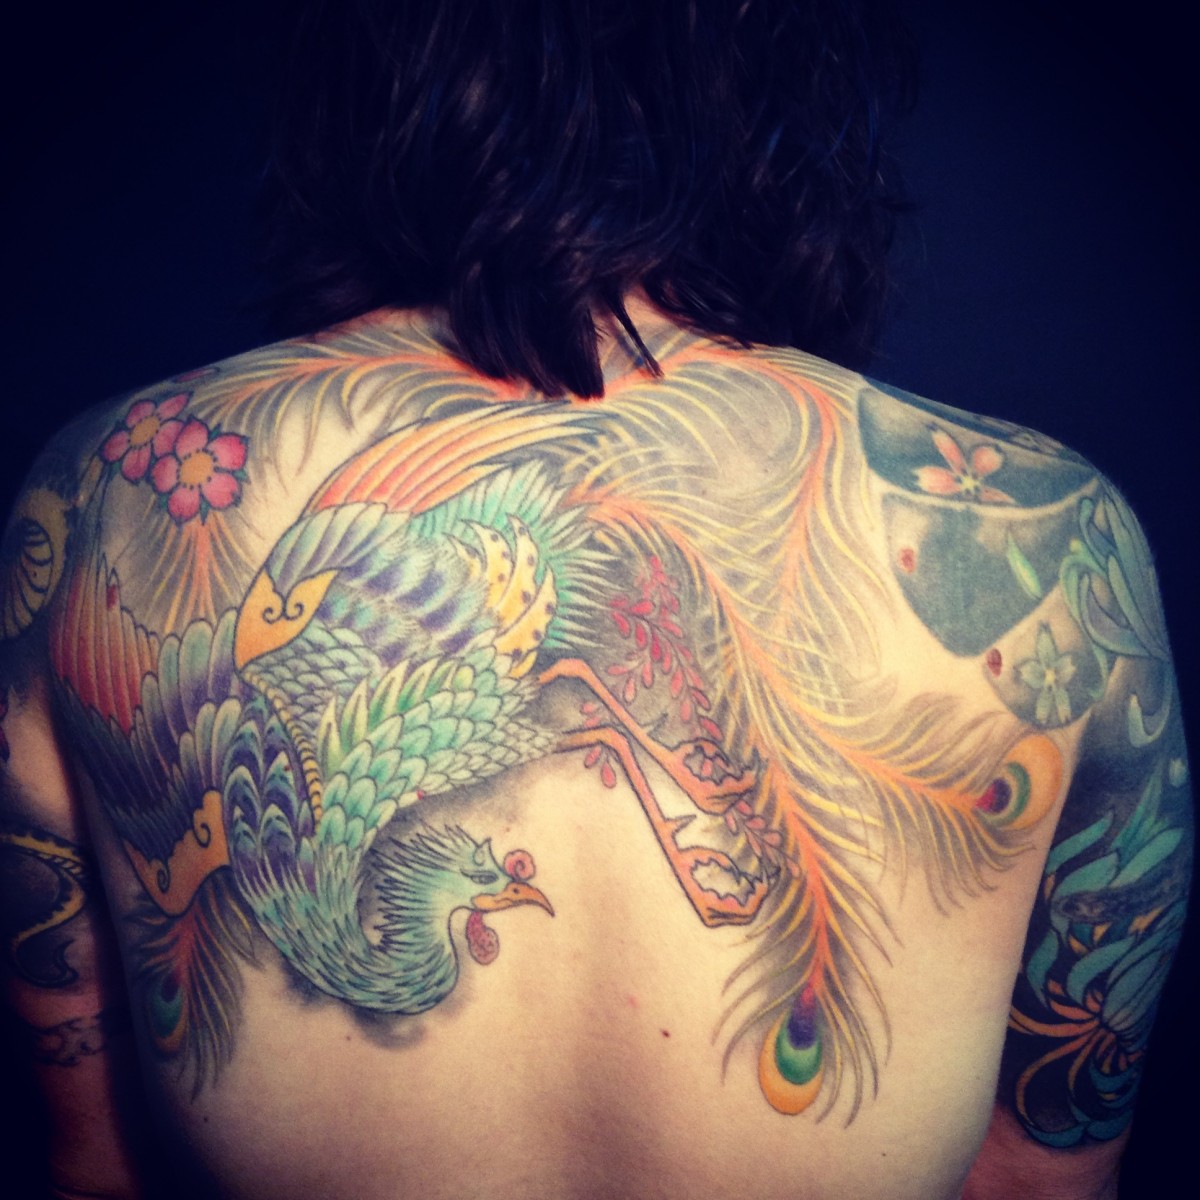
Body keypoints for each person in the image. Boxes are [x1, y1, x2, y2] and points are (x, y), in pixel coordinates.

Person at [0, 3, 1191, 1197]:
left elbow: (98, 1170)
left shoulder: (99, 498)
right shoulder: (1047, 543)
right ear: (783, 80)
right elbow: (1038, 1181)